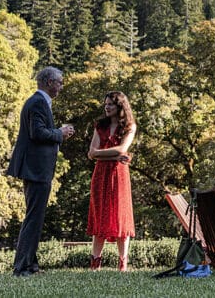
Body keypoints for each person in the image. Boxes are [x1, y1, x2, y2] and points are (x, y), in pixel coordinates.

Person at [7, 66, 75, 277]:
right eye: (59, 82)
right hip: (36, 168)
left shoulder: (39, 102)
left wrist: (58, 133)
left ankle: (30, 265)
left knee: (35, 217)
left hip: (36, 168)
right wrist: (60, 133)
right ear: (49, 82)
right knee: (34, 217)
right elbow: (37, 133)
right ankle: (23, 268)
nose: (61, 87)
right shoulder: (37, 102)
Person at [87, 91, 137, 271]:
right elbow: (91, 153)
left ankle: (122, 263)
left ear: (120, 106)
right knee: (100, 215)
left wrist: (101, 154)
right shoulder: (100, 125)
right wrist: (114, 155)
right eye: (105, 104)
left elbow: (122, 148)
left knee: (120, 215)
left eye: (110, 104)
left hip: (119, 175)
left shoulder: (129, 126)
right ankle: (95, 263)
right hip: (101, 175)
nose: (106, 107)